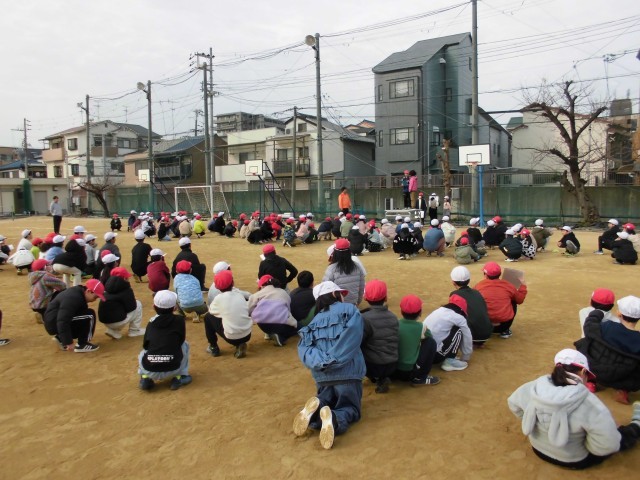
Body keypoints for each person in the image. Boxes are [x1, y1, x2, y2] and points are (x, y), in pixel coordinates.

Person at [508, 348, 640, 470]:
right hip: (574, 460)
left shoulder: (532, 387)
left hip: (539, 450)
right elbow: (608, 445)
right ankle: (637, 423)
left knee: (607, 429)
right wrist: (586, 443)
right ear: (583, 372)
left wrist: (536, 423)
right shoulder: (590, 403)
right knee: (619, 436)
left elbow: (513, 403)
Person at [293, 281, 365, 449]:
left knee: (327, 398)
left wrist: (322, 361)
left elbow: (305, 349)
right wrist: (333, 359)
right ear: (334, 294)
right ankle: (334, 418)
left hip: (322, 375)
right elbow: (351, 338)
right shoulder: (350, 310)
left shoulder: (312, 323)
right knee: (350, 408)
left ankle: (317, 407)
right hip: (348, 372)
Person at [576, 296, 640, 405]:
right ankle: (623, 390)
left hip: (595, 368)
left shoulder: (607, 326)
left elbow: (589, 327)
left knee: (585, 342)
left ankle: (590, 381)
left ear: (619, 314)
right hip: (621, 378)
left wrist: (597, 313)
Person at [137, 290, 192, 391]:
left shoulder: (151, 323)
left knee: (143, 351)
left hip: (150, 369)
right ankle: (179, 377)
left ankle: (145, 378)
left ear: (154, 307)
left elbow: (146, 345)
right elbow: (181, 340)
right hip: (174, 368)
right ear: (175, 308)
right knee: (185, 345)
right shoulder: (179, 320)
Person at [43, 279, 104, 353]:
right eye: (95, 297)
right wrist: (68, 342)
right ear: (88, 291)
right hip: (54, 323)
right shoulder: (74, 298)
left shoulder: (78, 293)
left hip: (53, 321)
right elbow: (62, 320)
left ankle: (60, 338)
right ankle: (82, 344)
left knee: (84, 314)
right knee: (90, 315)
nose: (95, 300)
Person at [359, 279, 399, 394]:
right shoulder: (393, 317)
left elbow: (357, 342)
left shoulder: (364, 318)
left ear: (365, 297)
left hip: (372, 365)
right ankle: (382, 379)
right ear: (385, 298)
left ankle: (369, 377)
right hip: (392, 364)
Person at [391, 295, 440, 386]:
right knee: (431, 342)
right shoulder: (422, 327)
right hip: (409, 372)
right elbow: (429, 337)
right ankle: (420, 378)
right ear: (420, 313)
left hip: (392, 369)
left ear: (401, 311)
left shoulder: (394, 323)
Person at [205, 270, 253, 358]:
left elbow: (211, 311)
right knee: (231, 317)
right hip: (247, 335)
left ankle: (213, 347)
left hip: (231, 338)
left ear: (217, 287)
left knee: (208, 317)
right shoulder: (239, 295)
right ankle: (239, 344)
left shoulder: (218, 298)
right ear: (233, 283)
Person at [475, 262, 528, 339]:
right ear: (500, 274)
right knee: (513, 300)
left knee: (477, 301)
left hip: (485, 325)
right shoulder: (508, 285)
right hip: (504, 325)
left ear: (485, 275)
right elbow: (519, 300)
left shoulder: (479, 286)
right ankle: (505, 331)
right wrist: (523, 286)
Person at [422, 294, 473, 372]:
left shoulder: (438, 311)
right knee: (459, 329)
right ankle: (450, 361)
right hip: (435, 356)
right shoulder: (459, 318)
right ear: (461, 310)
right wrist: (466, 357)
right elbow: (467, 336)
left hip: (422, 353)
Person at [248, 275, 297, 346]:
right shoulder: (283, 292)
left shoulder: (256, 295)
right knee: (295, 329)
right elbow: (288, 309)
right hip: (281, 325)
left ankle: (269, 333)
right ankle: (280, 337)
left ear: (262, 286)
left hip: (263, 324)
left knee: (263, 314)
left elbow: (249, 310)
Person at [449, 266, 492, 346]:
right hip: (487, 334)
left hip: (470, 336)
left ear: (453, 282)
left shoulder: (454, 294)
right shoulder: (477, 292)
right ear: (469, 280)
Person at [98, 267, 144, 339]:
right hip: (117, 322)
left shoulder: (106, 288)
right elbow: (131, 307)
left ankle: (113, 331)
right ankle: (134, 331)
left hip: (106, 322)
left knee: (116, 309)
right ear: (124, 278)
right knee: (138, 304)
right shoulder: (126, 289)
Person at [322, 239, 365, 305]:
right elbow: (361, 287)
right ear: (349, 252)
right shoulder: (357, 266)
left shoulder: (332, 268)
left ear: (335, 253)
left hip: (337, 304)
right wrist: (358, 302)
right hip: (353, 303)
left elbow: (325, 288)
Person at [29, 258, 67, 324]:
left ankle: (41, 314)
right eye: (47, 265)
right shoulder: (46, 277)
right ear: (44, 267)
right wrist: (54, 277)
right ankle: (48, 315)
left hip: (34, 304)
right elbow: (62, 285)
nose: (49, 266)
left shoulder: (33, 276)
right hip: (43, 305)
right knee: (63, 292)